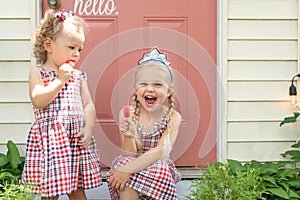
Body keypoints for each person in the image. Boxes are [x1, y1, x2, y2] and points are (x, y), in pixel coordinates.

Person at [21, 9, 102, 200]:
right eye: (71, 47)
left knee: (77, 190)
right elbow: (38, 100)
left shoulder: (78, 76)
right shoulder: (38, 72)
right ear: (49, 45)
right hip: (51, 141)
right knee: (51, 193)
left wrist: (89, 128)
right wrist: (59, 80)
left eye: (79, 49)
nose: (76, 54)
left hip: (74, 139)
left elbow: (88, 104)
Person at [107, 47, 182, 200]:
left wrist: (127, 170)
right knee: (125, 162)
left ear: (169, 91)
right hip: (134, 161)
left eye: (158, 85)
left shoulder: (173, 117)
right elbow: (129, 154)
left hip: (156, 165)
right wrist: (130, 136)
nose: (150, 89)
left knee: (157, 167)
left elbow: (161, 151)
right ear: (135, 89)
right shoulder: (128, 113)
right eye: (144, 84)